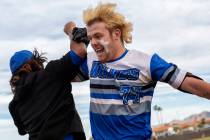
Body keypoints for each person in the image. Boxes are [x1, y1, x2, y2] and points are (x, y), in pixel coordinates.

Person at [64, 3, 210, 140]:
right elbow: (57, 77)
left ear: (116, 34)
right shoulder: (90, 62)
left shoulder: (147, 62)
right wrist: (73, 33)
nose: (93, 43)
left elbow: (192, 85)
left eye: (98, 36)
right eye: (90, 38)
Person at [9, 22, 88, 140]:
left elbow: (22, 131)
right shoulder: (51, 73)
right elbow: (80, 51)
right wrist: (71, 29)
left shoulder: (14, 105)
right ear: (36, 61)